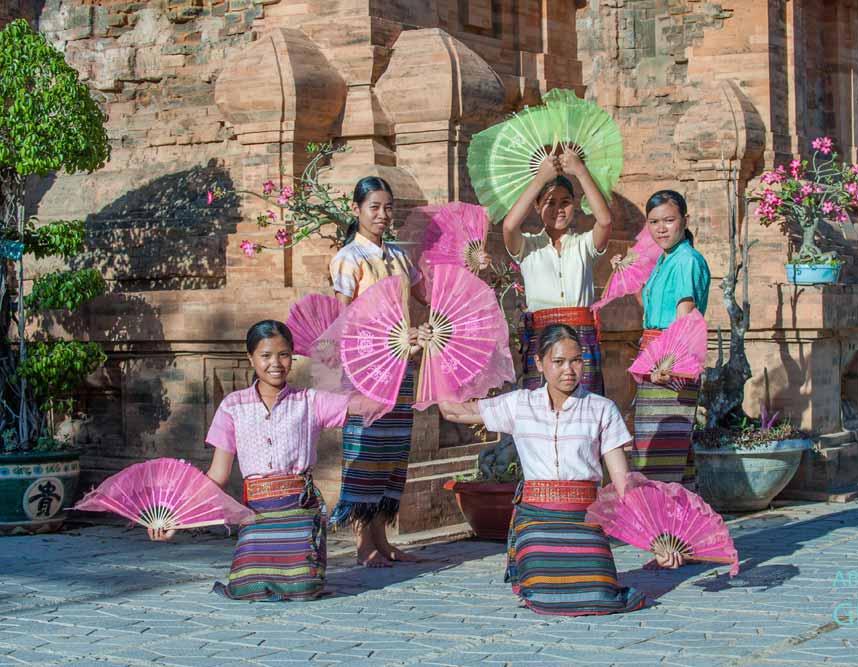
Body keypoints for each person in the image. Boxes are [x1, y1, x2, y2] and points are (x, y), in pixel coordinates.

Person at [437, 324, 666, 615]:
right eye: (558, 362)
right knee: (544, 597)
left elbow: (624, 483)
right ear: (539, 364)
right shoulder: (519, 405)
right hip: (537, 522)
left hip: (585, 519)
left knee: (601, 596)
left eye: (576, 360)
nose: (569, 369)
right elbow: (451, 410)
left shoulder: (602, 409)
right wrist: (435, 352)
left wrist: (654, 538)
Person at [149, 320, 353, 601]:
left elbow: (367, 405)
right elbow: (217, 476)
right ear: (251, 358)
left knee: (304, 589)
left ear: (292, 357)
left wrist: (401, 357)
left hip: (299, 513)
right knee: (246, 588)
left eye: (283, 355)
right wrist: (176, 517)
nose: (276, 363)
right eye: (265, 355)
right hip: (256, 515)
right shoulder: (233, 406)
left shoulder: (309, 401)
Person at [328, 176, 427, 568]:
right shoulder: (348, 258)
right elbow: (341, 316)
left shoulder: (400, 258)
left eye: (388, 207)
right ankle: (362, 542)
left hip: (401, 362)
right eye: (374, 207)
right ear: (357, 210)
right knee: (364, 449)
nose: (383, 215)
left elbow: (425, 297)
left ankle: (382, 538)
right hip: (367, 365)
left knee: (392, 451)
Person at [502, 147, 614, 394]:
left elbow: (605, 221)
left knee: (585, 410)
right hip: (542, 338)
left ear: (575, 205)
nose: (558, 210)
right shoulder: (528, 247)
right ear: (537, 206)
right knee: (542, 411)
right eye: (550, 203)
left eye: (565, 203)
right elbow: (510, 225)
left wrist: (581, 172)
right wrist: (540, 178)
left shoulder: (583, 244)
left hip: (581, 336)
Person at [624, 190, 710, 494]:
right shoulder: (665, 260)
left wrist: (668, 363)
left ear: (685, 220)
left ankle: (670, 525)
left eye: (669, 220)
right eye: (654, 221)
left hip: (671, 362)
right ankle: (683, 527)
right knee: (669, 450)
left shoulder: (686, 260)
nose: (661, 228)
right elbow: (653, 312)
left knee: (660, 454)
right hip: (655, 357)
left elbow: (684, 319)